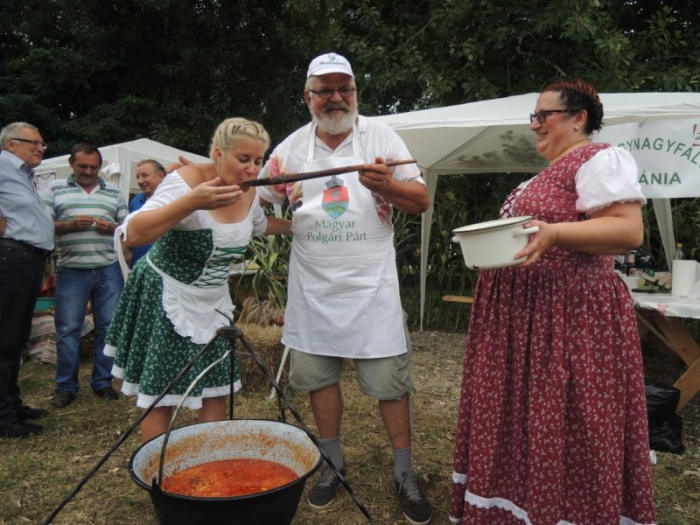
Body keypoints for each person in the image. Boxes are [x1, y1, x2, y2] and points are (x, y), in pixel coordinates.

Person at [449, 80, 656, 524]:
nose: (535, 124)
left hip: (568, 318)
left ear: (579, 118)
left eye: (545, 115)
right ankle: (522, 507)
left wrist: (556, 232)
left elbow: (627, 231)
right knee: (527, 421)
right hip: (529, 318)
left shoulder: (600, 159)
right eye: (533, 117)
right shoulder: (547, 174)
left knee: (564, 423)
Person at [256, 53, 432, 525]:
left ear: (355, 92)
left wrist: (390, 184)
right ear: (308, 96)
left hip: (371, 287)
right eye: (325, 90)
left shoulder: (381, 138)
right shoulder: (289, 150)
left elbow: (421, 200)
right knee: (318, 378)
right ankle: (332, 461)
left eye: (345, 89)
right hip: (313, 288)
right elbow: (257, 203)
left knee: (390, 386)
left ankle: (404, 470)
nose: (336, 98)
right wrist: (282, 228)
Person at [104, 117, 291, 443]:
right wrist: (192, 201)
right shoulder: (186, 181)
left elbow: (259, 225)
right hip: (169, 294)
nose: (252, 169)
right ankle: (157, 475)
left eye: (258, 161)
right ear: (219, 154)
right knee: (163, 392)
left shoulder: (248, 191)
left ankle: (210, 465)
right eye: (243, 159)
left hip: (214, 300)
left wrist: (304, 225)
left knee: (214, 388)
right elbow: (133, 233)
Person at [42, 143, 128, 408]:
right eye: (83, 166)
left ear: (99, 167)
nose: (89, 171)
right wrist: (69, 225)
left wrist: (112, 228)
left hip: (108, 268)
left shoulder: (114, 192)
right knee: (67, 329)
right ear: (71, 164)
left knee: (109, 326)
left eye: (93, 167)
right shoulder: (54, 189)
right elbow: (43, 226)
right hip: (71, 269)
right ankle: (66, 386)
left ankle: (102, 382)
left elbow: (128, 229)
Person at [0, 122, 54, 438]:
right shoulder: (2, 164)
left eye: (42, 144)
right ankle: (4, 416)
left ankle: (12, 404)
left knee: (17, 337)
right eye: (34, 142)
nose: (41, 148)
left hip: (28, 259)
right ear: (11, 143)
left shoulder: (22, 174)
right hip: (11, 257)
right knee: (6, 338)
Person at [124, 159, 167, 266]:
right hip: (139, 265)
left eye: (144, 175)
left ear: (161, 176)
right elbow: (128, 230)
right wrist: (126, 248)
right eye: (138, 177)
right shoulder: (136, 201)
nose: (139, 181)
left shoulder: (174, 200)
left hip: (165, 267)